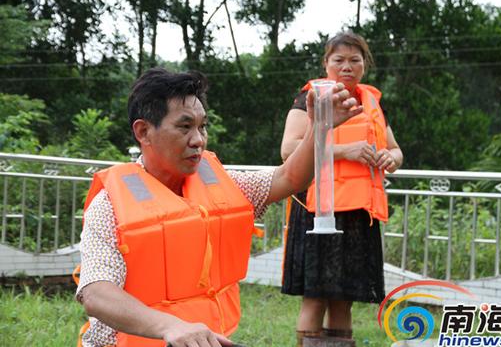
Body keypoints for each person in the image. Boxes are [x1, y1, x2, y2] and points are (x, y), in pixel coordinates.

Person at [75, 67, 361, 347]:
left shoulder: (222, 184)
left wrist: (320, 129)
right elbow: (96, 293)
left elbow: (289, 177)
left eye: (202, 126)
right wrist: (169, 326)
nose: (198, 139)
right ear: (143, 131)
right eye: (185, 126)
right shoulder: (110, 205)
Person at [280, 31, 403, 346]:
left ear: (364, 64)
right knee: (315, 297)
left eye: (355, 60)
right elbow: (289, 149)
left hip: (358, 213)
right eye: (339, 60)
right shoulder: (310, 96)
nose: (347, 66)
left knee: (343, 297)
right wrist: (345, 151)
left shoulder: (372, 100)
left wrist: (390, 157)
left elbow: (396, 150)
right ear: (326, 63)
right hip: (319, 210)